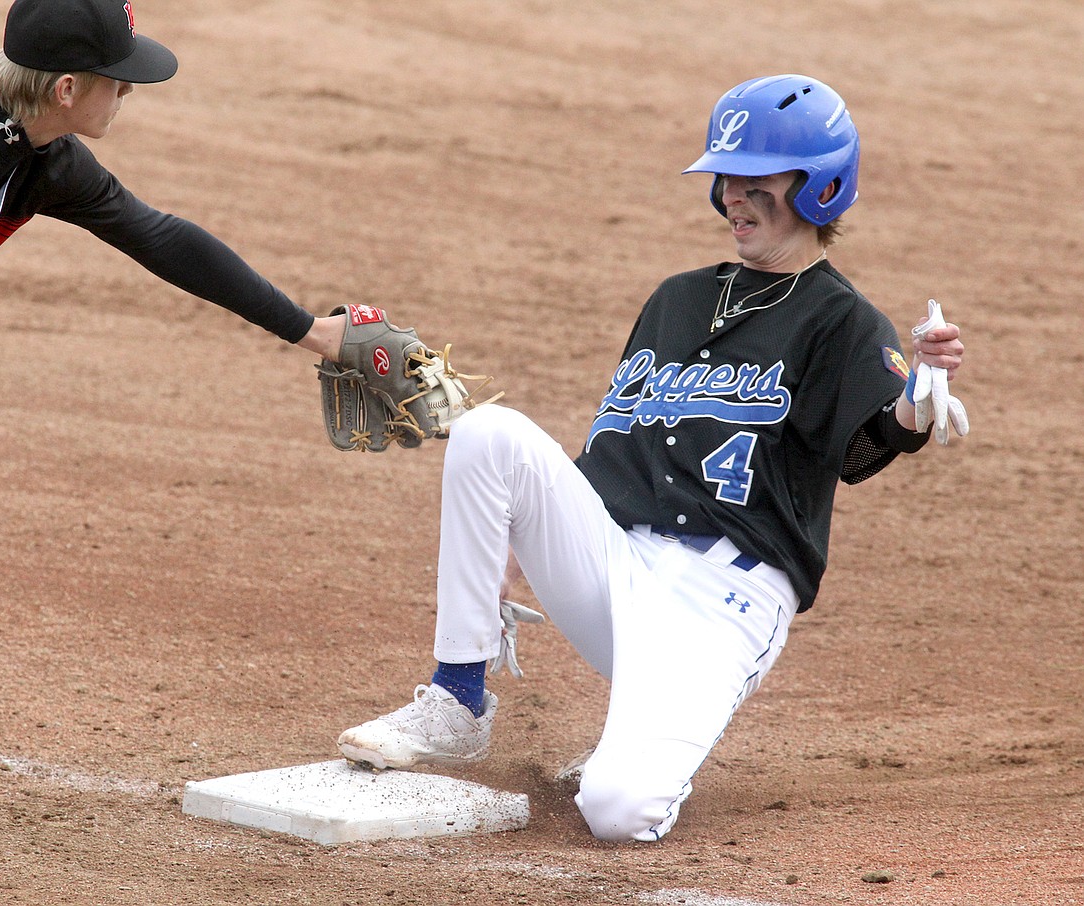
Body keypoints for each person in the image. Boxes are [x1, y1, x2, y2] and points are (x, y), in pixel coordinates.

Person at [336, 74, 967, 842]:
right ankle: (458, 699)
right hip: (618, 564)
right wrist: (520, 532)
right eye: (726, 179)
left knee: (617, 811)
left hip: (722, 603)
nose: (734, 196)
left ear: (820, 187)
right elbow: (614, 444)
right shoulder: (677, 298)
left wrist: (910, 410)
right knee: (483, 433)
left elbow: (862, 453)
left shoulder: (841, 319)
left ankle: (649, 746)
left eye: (756, 181)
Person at [0, 0, 350, 485]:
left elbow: (160, 238)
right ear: (66, 89)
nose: (128, 90)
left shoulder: (42, 156)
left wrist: (312, 332)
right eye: (118, 79)